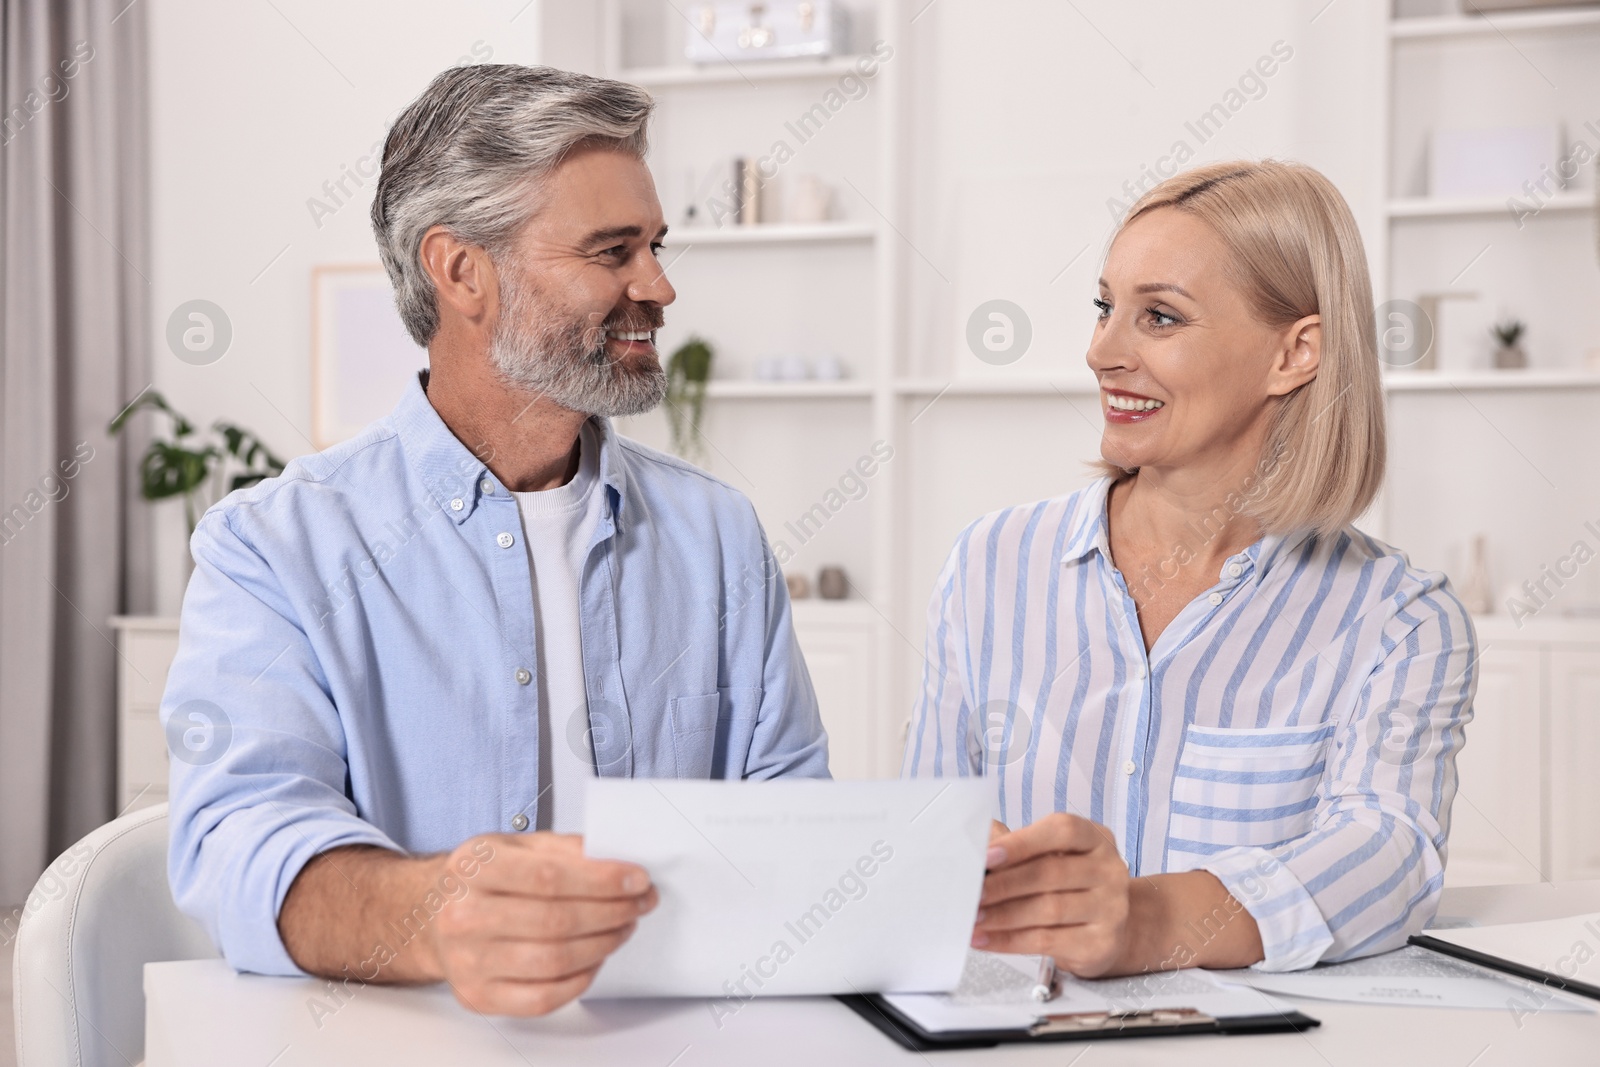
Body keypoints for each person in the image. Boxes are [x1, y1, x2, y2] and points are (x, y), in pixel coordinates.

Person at [163, 64, 828, 1017]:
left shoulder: (718, 535)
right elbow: (238, 838)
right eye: (612, 251)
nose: (660, 285)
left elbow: (796, 830)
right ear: (462, 270)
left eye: (655, 245)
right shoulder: (275, 546)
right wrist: (437, 910)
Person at [903, 160, 1476, 977]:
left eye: (1159, 317)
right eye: (1105, 308)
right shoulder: (990, 565)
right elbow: (925, 823)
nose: (1102, 351)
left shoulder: (1401, 620)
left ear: (1295, 353)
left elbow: (1388, 855)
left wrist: (1139, 921)